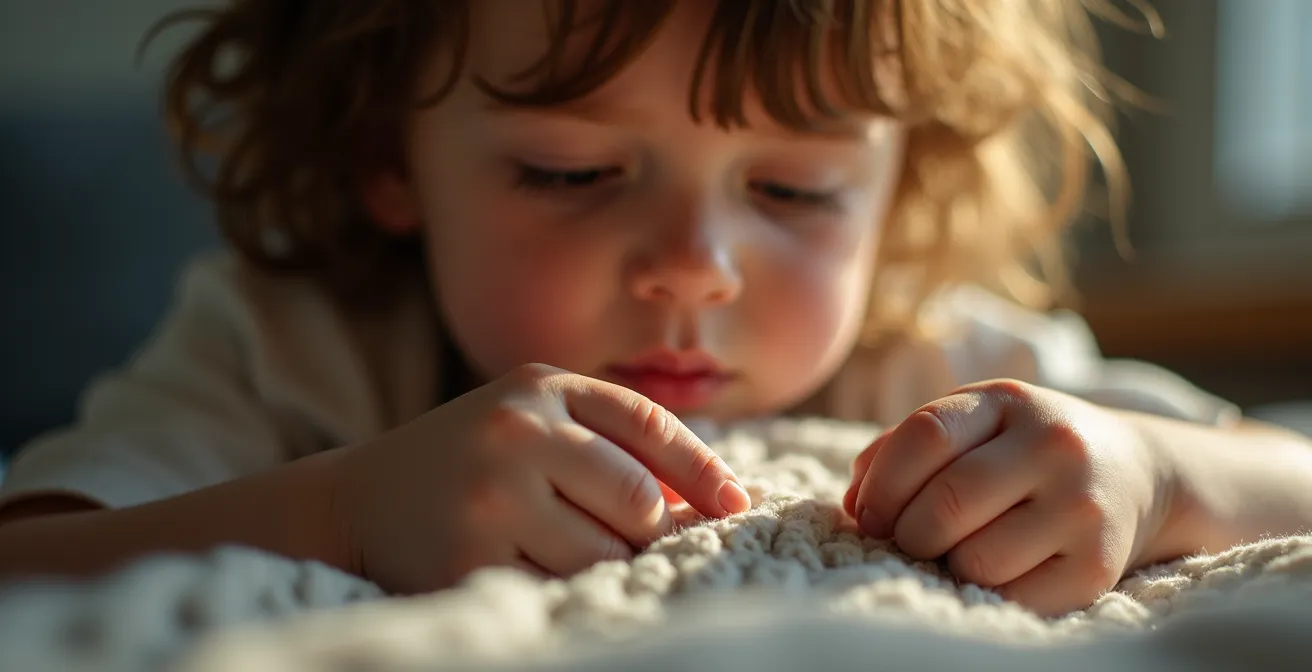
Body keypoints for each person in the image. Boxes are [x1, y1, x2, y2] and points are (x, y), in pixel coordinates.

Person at [2, 0, 1310, 618]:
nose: (694, 266)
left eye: (795, 189)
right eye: (571, 173)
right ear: (386, 159)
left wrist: (1157, 468)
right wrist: (344, 511)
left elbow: (1288, 472)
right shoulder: (291, 342)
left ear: (897, 179)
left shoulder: (930, 356)